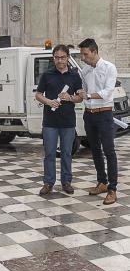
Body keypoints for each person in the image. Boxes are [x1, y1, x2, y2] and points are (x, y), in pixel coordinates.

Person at [35, 44, 83, 195]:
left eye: (62, 57)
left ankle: (66, 182)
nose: (60, 60)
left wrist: (70, 97)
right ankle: (48, 183)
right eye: (57, 58)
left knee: (67, 153)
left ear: (68, 57)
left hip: (68, 122)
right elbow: (38, 94)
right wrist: (49, 102)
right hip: (50, 122)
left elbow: (81, 97)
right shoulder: (47, 75)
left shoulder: (75, 76)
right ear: (53, 58)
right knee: (49, 153)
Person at [77, 38, 118, 205]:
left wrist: (87, 95)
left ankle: (112, 189)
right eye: (82, 54)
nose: (83, 57)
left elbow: (108, 92)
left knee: (109, 151)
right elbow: (83, 92)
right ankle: (102, 182)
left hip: (105, 115)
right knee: (94, 150)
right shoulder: (85, 71)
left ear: (94, 51)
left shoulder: (109, 68)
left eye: (85, 54)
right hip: (89, 115)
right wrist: (77, 95)